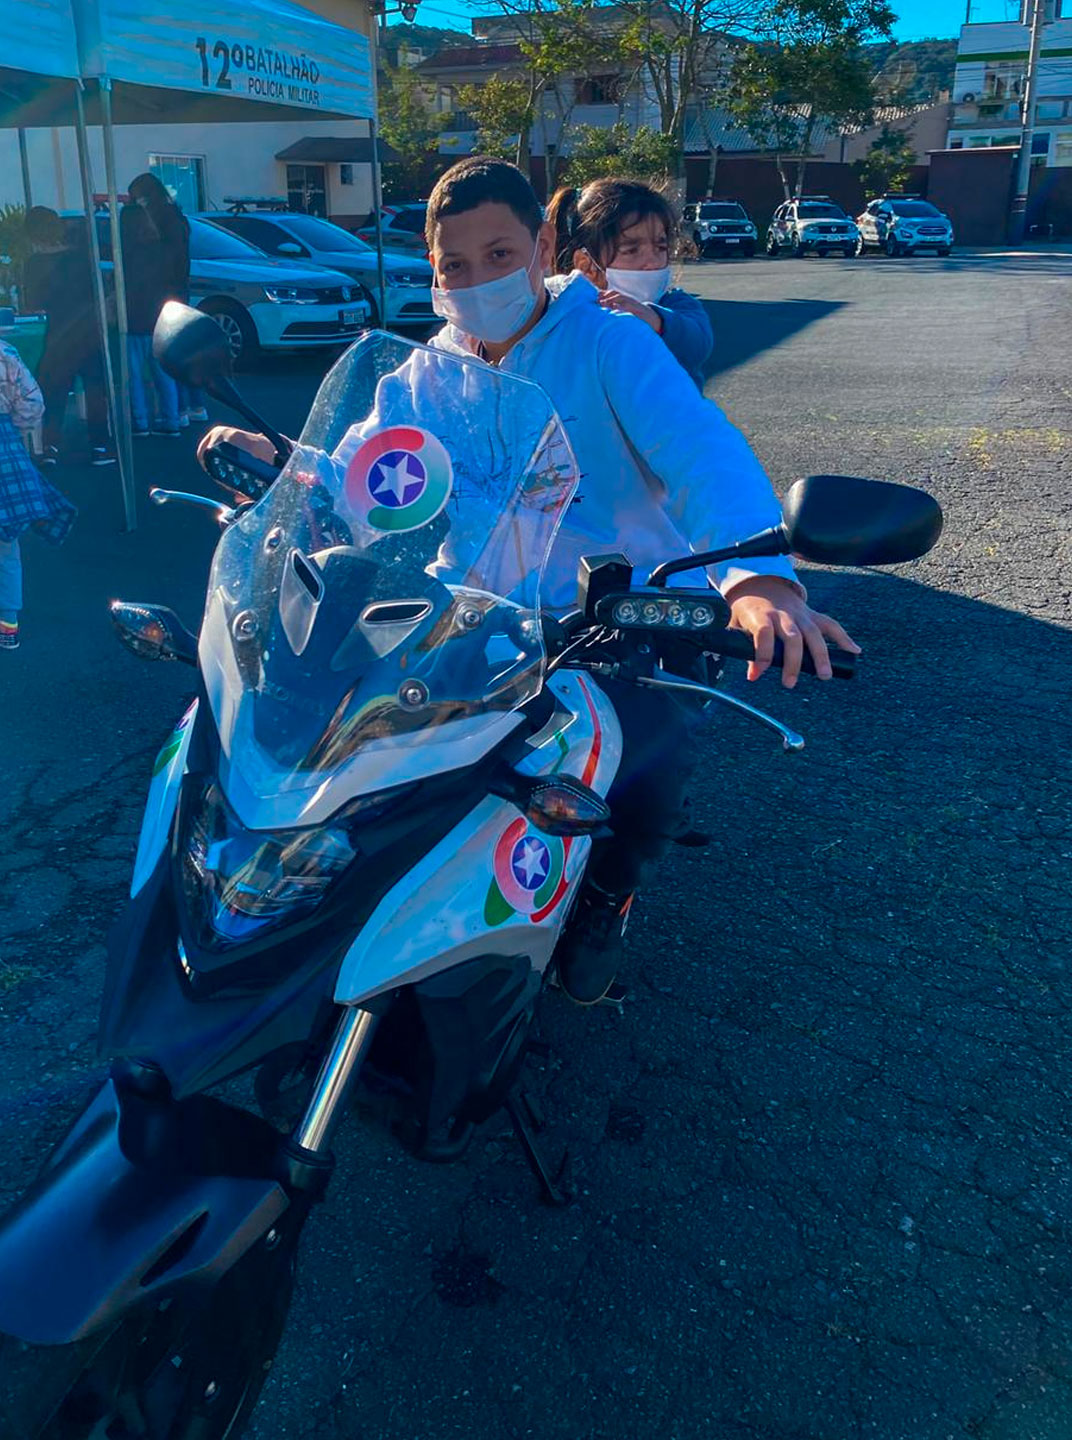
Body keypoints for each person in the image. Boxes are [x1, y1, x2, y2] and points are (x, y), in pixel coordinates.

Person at [198, 156, 859, 1005]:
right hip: (471, 620)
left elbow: (704, 455)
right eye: (455, 265)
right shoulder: (428, 371)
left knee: (649, 769)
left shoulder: (611, 341)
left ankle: (608, 898)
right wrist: (291, 467)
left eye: (500, 255)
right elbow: (367, 474)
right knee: (367, 749)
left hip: (618, 622)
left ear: (544, 246)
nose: (477, 280)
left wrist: (759, 580)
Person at [546, 178, 713, 390]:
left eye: (660, 248)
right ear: (587, 265)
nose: (652, 262)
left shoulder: (677, 305)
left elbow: (698, 344)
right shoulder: (568, 313)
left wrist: (655, 321)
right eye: (632, 250)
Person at [22, 207, 115, 468]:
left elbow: (32, 302)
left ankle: (50, 446)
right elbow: (98, 291)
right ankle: (100, 445)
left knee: (54, 391)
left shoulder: (34, 264)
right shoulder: (82, 257)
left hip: (59, 332)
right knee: (95, 388)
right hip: (88, 330)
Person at [0, 339, 77, 651]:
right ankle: (8, 627)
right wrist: (16, 430)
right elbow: (32, 402)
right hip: (4, 448)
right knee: (7, 545)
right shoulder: (4, 353)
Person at [120, 173, 185, 437]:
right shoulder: (165, 242)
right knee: (163, 370)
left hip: (134, 316)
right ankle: (171, 418)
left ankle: (140, 421)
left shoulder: (128, 252)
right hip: (160, 313)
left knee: (133, 374)